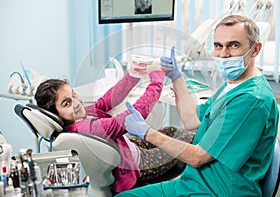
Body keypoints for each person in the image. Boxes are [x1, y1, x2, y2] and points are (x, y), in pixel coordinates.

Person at [116, 15, 279, 196]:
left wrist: (148, 133)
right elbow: (192, 120)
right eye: (218, 45)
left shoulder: (251, 100)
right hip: (195, 183)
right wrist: (176, 77)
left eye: (233, 45)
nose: (223, 54)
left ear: (255, 49)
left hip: (221, 191)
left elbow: (197, 157)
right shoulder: (233, 85)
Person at [34, 63, 195, 194]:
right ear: (56, 115)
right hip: (138, 166)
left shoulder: (77, 120)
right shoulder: (90, 128)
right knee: (187, 139)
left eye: (73, 95)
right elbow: (137, 112)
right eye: (67, 103)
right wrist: (157, 79)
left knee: (172, 131)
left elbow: (107, 101)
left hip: (131, 149)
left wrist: (132, 76)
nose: (76, 103)